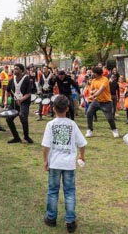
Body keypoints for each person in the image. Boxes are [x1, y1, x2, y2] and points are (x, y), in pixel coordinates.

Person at [42, 95, 87, 233]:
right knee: (69, 192)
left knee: (53, 191)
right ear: (67, 109)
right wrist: (81, 155)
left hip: (54, 163)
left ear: (53, 108)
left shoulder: (50, 125)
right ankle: (70, 221)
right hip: (68, 164)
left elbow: (46, 145)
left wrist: (45, 160)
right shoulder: (72, 125)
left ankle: (51, 218)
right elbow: (82, 143)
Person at [85, 67, 119, 138]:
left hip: (106, 102)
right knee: (89, 113)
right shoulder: (94, 80)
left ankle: (114, 130)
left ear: (96, 73)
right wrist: (93, 92)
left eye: (93, 72)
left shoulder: (105, 79)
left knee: (109, 118)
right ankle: (89, 130)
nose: (91, 74)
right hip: (97, 101)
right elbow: (91, 91)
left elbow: (101, 90)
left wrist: (93, 95)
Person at [6, 63, 34, 143]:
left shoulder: (27, 79)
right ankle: (16, 137)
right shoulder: (12, 79)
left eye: (17, 69)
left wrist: (21, 100)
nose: (15, 70)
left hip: (24, 102)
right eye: (14, 69)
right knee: (8, 119)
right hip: (14, 102)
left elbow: (28, 93)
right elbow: (7, 90)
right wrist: (6, 101)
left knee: (23, 118)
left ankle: (26, 136)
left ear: (21, 70)